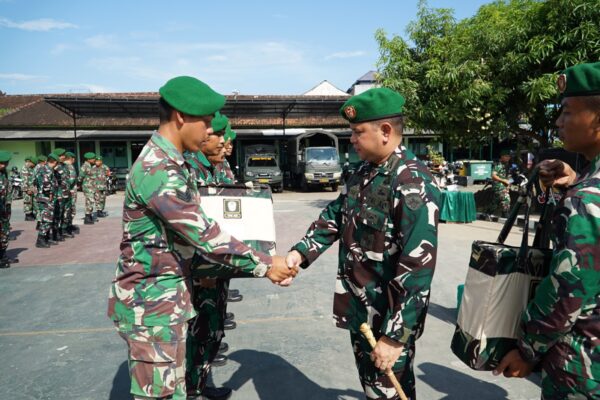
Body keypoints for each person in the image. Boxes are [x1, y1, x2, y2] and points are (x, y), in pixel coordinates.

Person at [107, 76, 297, 400]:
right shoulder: (159, 170)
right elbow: (206, 234)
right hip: (152, 306)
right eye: (207, 122)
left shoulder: (172, 163)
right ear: (181, 116)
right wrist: (266, 264)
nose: (211, 132)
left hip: (165, 302)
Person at [286, 87, 441, 400]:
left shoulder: (412, 181)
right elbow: (335, 216)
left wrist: (396, 337)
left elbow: (418, 265)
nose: (352, 140)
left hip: (388, 316)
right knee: (372, 385)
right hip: (361, 308)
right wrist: (300, 253)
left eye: (357, 132)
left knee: (389, 392)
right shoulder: (360, 173)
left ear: (385, 131)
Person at [494, 61, 600, 399]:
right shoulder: (585, 188)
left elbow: (566, 293)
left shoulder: (587, 199)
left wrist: (527, 350)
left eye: (567, 112)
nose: (558, 122)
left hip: (583, 370)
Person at [35, 153, 58, 248]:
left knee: (48, 218)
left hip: (44, 197)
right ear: (55, 162)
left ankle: (46, 238)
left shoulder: (44, 169)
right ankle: (40, 240)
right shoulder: (46, 170)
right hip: (46, 197)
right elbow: (46, 185)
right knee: (46, 219)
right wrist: (51, 194)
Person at [0, 150, 13, 268]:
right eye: (1, 163)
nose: (3, 165)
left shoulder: (4, 173)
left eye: (5, 163)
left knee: (4, 232)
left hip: (4, 208)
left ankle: (3, 255)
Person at [490, 150, 512, 217]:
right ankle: (505, 213)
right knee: (506, 198)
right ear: (502, 157)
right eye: (506, 156)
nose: (508, 158)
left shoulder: (508, 165)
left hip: (504, 186)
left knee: (496, 201)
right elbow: (493, 176)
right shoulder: (499, 165)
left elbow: (509, 177)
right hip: (499, 185)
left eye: (509, 156)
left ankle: (489, 212)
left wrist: (509, 185)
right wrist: (503, 180)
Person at [63, 151, 79, 235]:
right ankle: (67, 227)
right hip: (70, 192)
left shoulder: (64, 165)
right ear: (71, 158)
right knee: (70, 210)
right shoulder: (69, 166)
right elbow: (71, 180)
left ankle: (68, 225)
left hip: (67, 191)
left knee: (68, 209)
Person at [78, 152, 96, 224]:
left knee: (91, 201)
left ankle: (89, 215)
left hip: (91, 186)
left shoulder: (89, 166)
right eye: (93, 158)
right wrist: (79, 185)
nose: (94, 159)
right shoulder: (85, 166)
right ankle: (87, 217)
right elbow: (80, 177)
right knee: (89, 201)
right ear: (88, 159)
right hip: (87, 186)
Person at [21, 156, 36, 221]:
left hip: (31, 187)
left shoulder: (31, 167)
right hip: (26, 188)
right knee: (27, 201)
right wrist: (27, 189)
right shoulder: (25, 167)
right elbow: (24, 180)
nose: (34, 165)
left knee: (32, 201)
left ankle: (32, 213)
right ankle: (27, 215)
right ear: (30, 162)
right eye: (34, 164)